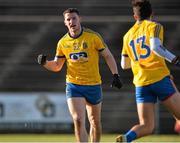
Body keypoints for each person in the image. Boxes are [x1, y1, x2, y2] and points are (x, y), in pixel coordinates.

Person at [37, 8, 122, 142]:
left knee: (95, 122)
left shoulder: (93, 36)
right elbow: (57, 65)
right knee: (77, 119)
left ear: (79, 19)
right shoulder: (62, 43)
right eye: (68, 19)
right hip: (74, 85)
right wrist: (45, 63)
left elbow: (107, 55)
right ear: (65, 23)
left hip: (93, 84)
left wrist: (115, 75)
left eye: (74, 18)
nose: (71, 21)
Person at [116, 0, 180, 142]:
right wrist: (175, 60)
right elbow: (156, 47)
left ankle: (127, 138)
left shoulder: (127, 36)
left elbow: (124, 64)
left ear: (135, 16)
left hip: (141, 83)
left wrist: (139, 60)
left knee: (147, 125)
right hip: (159, 78)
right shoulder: (154, 26)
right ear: (151, 13)